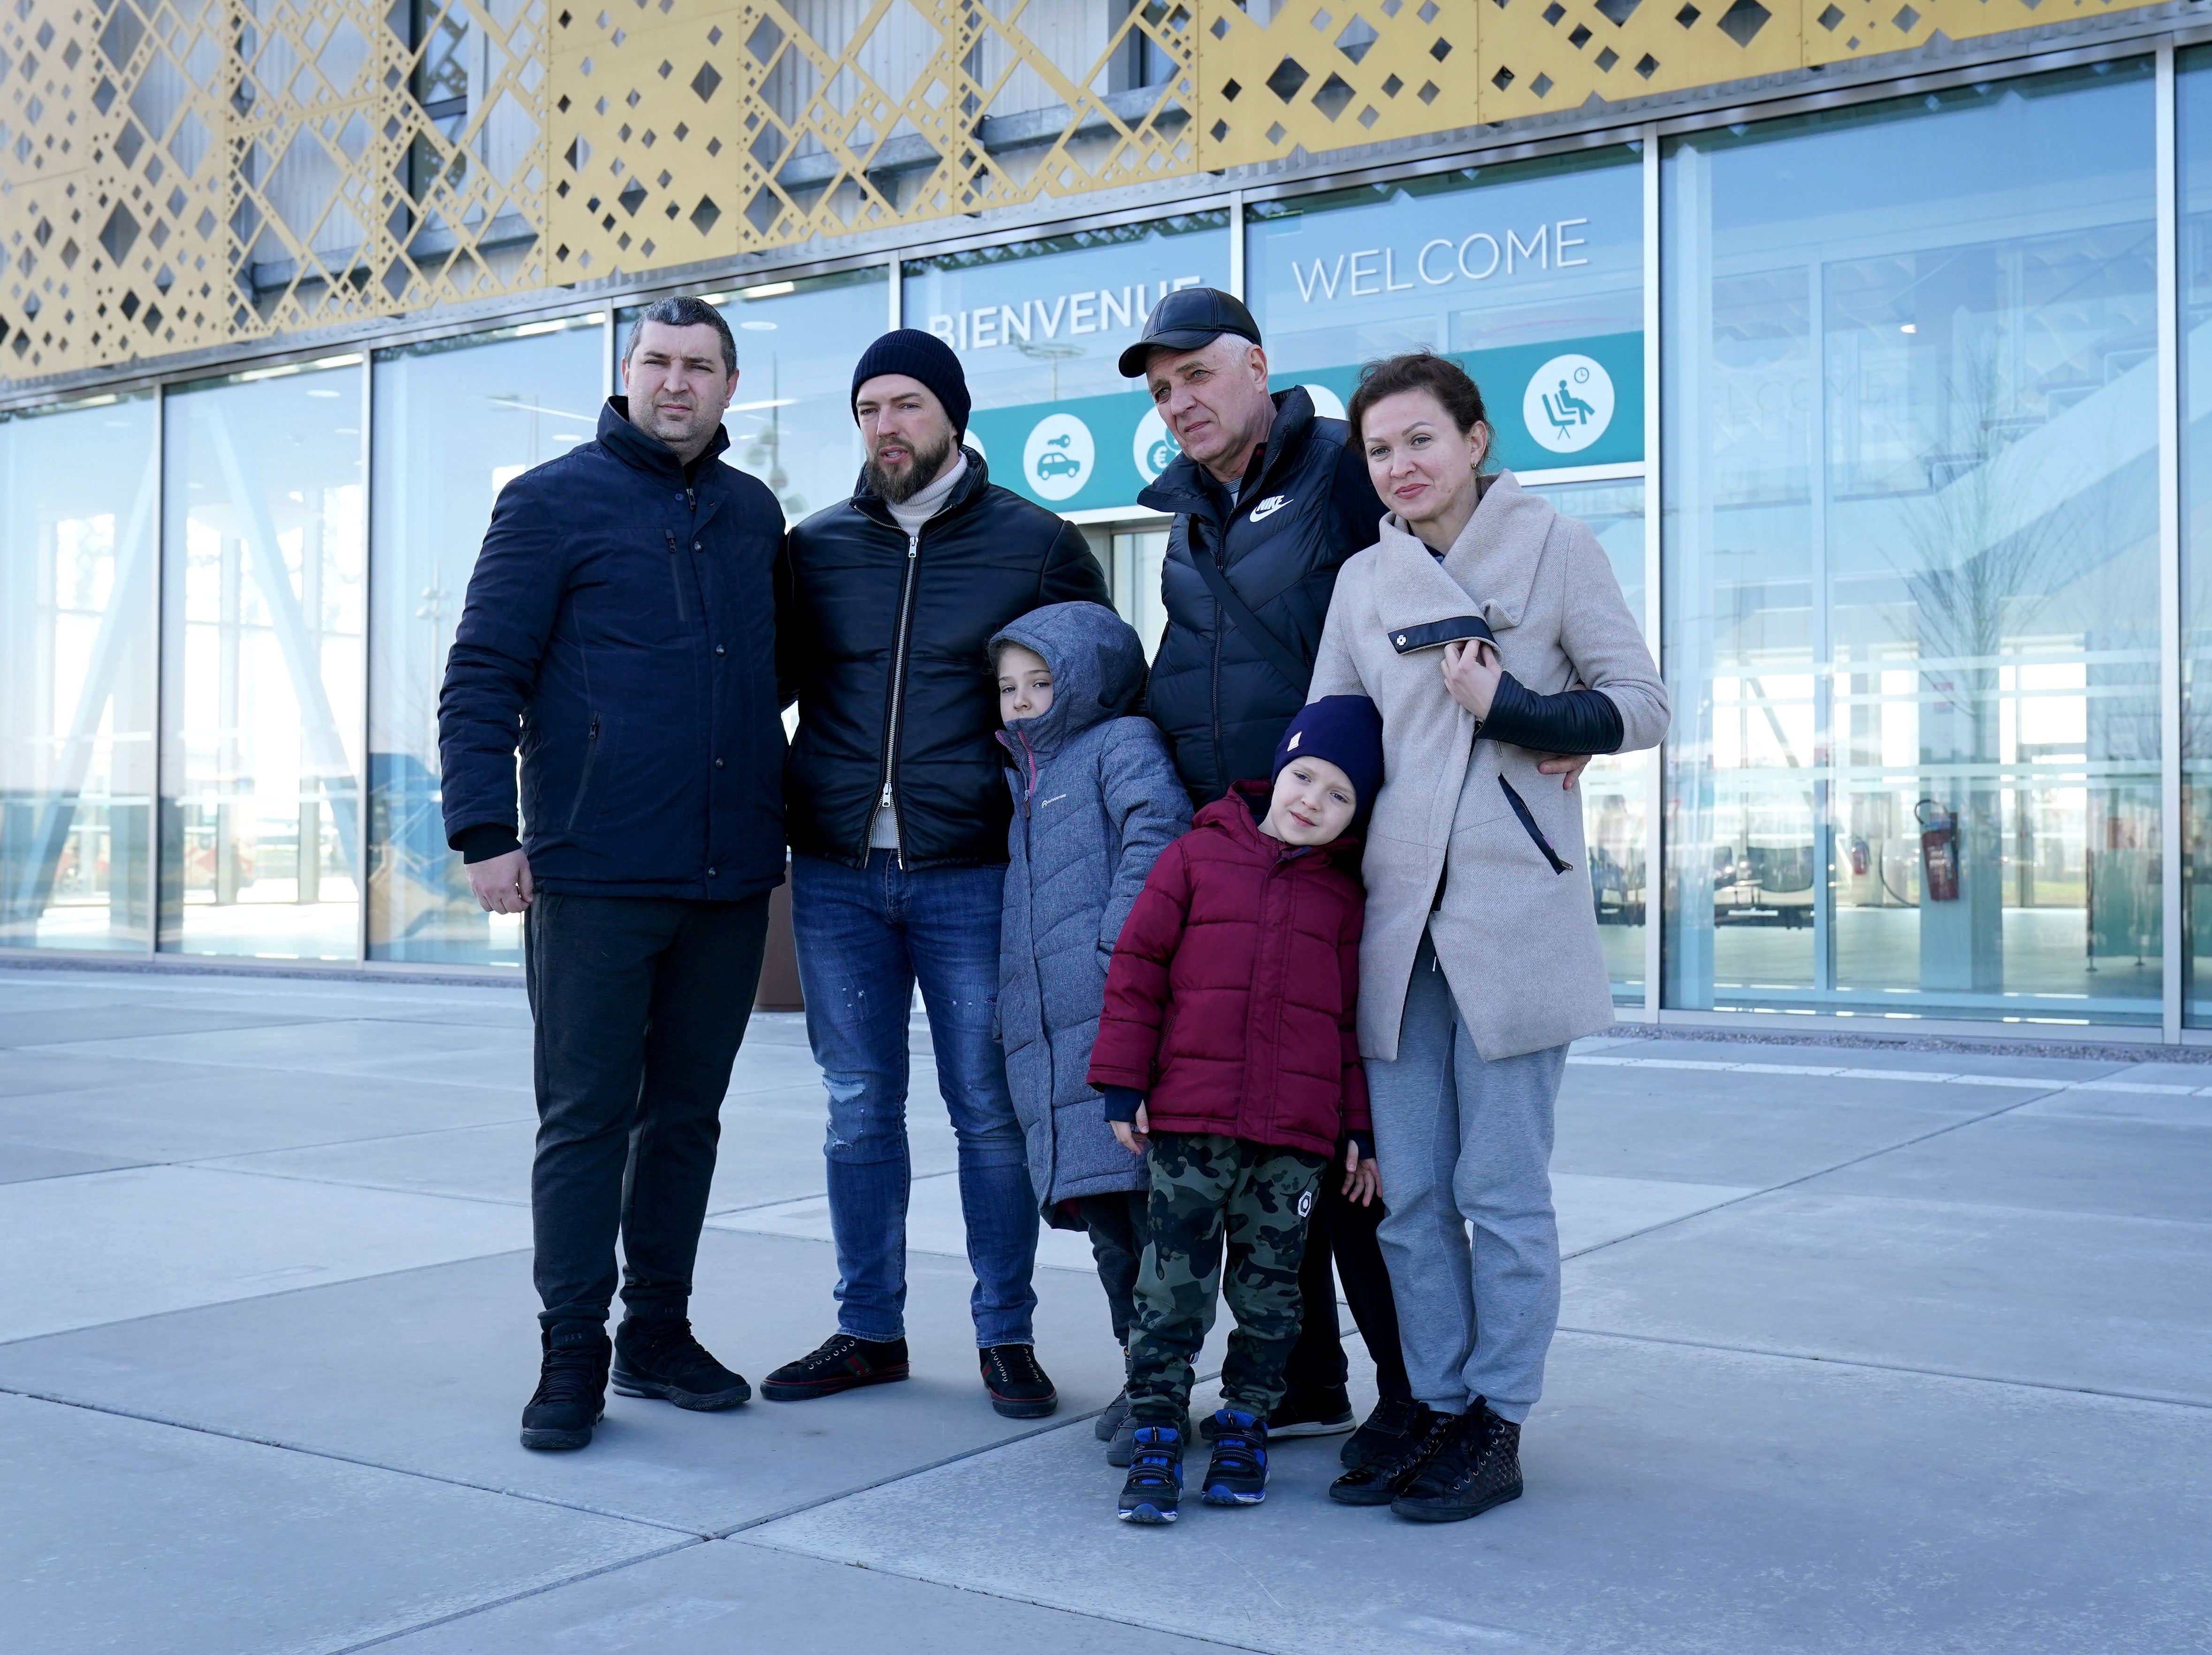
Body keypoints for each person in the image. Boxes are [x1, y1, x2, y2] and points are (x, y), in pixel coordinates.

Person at [1312, 351, 1667, 1522]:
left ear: (1472, 439)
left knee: (1500, 1188)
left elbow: (1643, 701)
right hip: (1394, 917)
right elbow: (1332, 726)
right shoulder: (1365, 578)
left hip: (1513, 912)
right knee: (1409, 1193)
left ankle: (1498, 1419)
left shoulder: (1555, 546)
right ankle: (1439, 1401)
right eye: (1377, 450)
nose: (1399, 466)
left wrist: (1517, 710)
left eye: (1419, 439)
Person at [438, 295, 791, 1452]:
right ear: (625, 373)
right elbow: (480, 675)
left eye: (699, 366)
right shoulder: (547, 503)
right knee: (587, 1119)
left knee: (686, 1119)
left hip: (729, 875)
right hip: (592, 873)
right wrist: (487, 831)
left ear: (730, 387)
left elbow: (767, 677)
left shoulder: (751, 515)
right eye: (657, 361)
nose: (675, 382)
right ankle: (571, 1351)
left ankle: (657, 1333)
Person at [766, 329, 1111, 1418]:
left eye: (906, 404)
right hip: (833, 872)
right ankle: (868, 1328)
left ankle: (1003, 1332)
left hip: (971, 871)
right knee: (856, 1103)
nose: (885, 426)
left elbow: (1097, 689)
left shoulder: (1038, 543)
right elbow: (754, 684)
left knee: (986, 1110)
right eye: (868, 407)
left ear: (953, 416)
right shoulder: (813, 546)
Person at [1121, 287, 1420, 1467]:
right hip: (1235, 861)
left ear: (1255, 365)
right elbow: (1183, 671)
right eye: (1158, 390)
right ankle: (1302, 1382)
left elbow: (1444, 575)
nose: (1177, 402)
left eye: (1195, 375)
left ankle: (1415, 1394)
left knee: (1341, 1146)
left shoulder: (1343, 469)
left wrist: (1529, 704)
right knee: (1250, 1143)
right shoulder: (1190, 516)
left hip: (1337, 856)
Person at [1085, 696, 1385, 1525]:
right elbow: (1138, 969)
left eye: (1338, 796)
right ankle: (1154, 1426)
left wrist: (1357, 1128)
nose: (1312, 802)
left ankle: (1248, 1421)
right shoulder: (1193, 859)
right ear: (1276, 774)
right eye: (1304, 777)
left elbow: (1350, 1024)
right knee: (1171, 1287)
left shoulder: (1342, 901)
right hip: (1190, 1122)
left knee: (1271, 1294)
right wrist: (1123, 1078)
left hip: (1292, 1137)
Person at [987, 600, 1190, 1466]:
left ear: (1088, 681)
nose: (1024, 701)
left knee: (1152, 1227)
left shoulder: (1120, 743)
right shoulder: (1025, 778)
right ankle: (1137, 1373)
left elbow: (1159, 828)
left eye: (1042, 682)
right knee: (1110, 1224)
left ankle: (1165, 1393)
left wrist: (1118, 942)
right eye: (1009, 688)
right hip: (1055, 1039)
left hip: (1113, 1024)